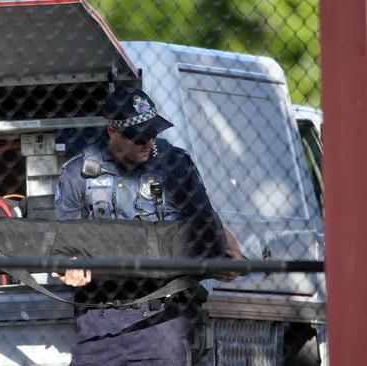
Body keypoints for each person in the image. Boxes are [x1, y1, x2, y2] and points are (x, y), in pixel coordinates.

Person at [53, 87, 244, 365]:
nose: (148, 142)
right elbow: (61, 241)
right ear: (112, 132)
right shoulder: (78, 174)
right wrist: (67, 267)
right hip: (99, 318)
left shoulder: (176, 164)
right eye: (138, 136)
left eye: (153, 132)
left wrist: (232, 254)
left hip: (161, 316)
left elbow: (206, 221)